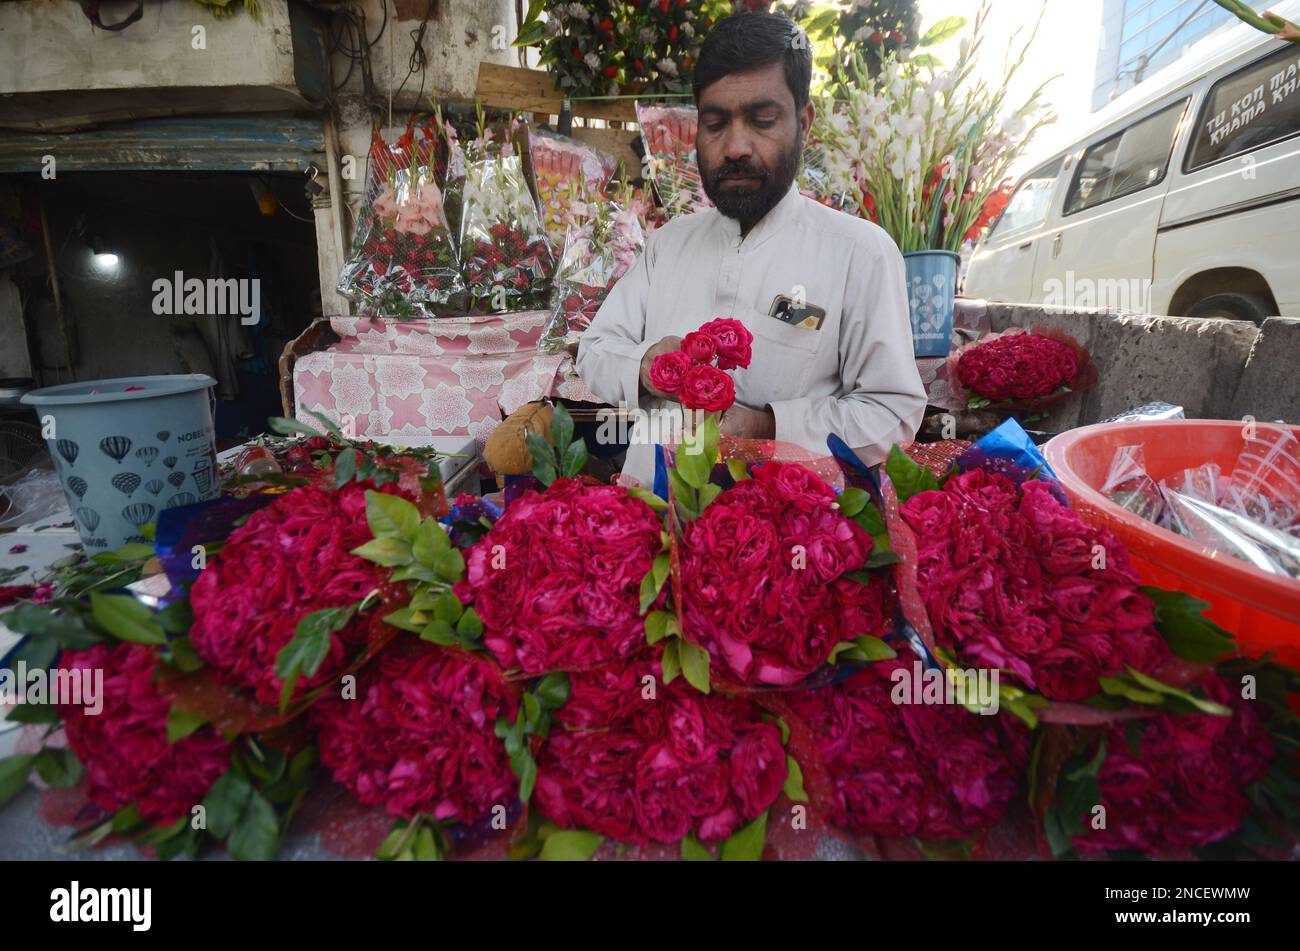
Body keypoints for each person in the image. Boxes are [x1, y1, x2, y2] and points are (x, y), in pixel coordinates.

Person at [576, 11, 927, 487]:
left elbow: (893, 413)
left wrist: (770, 426)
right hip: (652, 526)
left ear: (803, 122)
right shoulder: (668, 244)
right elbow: (594, 352)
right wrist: (647, 368)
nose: (736, 146)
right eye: (715, 123)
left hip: (786, 533)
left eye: (762, 120)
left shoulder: (860, 254)